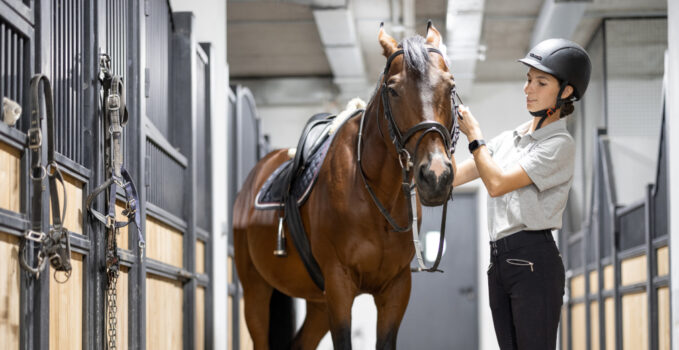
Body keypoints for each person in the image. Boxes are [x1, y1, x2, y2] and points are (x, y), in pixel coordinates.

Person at [452, 38, 592, 349]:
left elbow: (497, 183)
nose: (528, 89)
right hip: (499, 260)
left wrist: (475, 138)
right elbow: (451, 178)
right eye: (529, 80)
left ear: (566, 91)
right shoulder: (508, 139)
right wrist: (440, 134)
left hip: (533, 260)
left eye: (541, 82)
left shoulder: (559, 145)